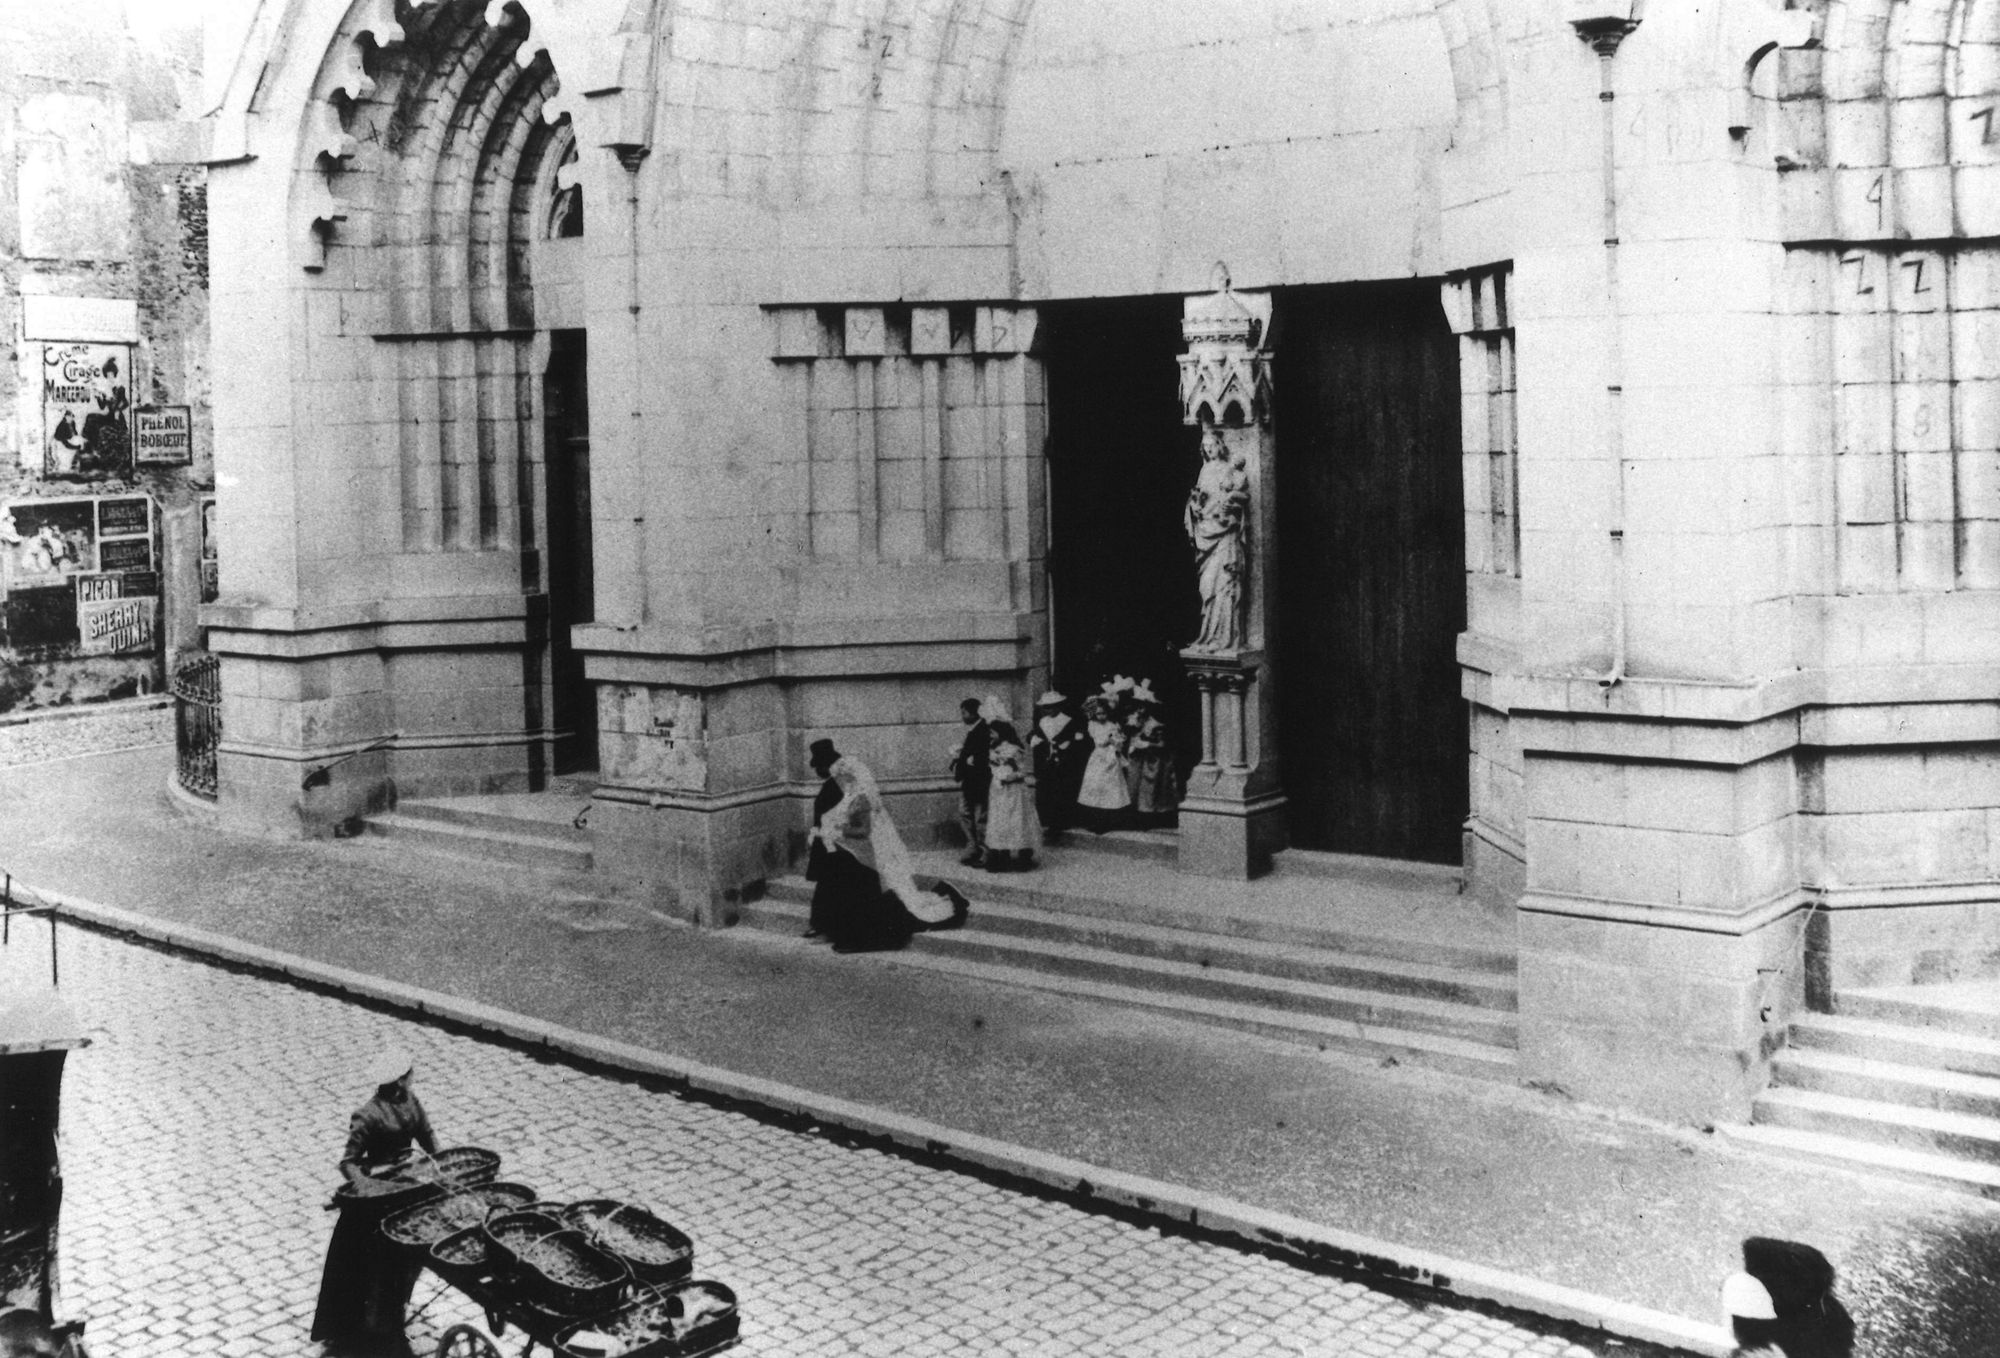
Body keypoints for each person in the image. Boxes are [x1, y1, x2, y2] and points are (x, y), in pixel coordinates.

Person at [312, 1049, 439, 1357]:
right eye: (408, 1075)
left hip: (409, 1186)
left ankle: (394, 1309)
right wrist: (368, 1187)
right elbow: (349, 1162)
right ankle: (372, 1325)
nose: (412, 1080)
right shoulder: (367, 1114)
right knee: (373, 1264)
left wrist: (440, 1163)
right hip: (378, 1198)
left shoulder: (412, 1103)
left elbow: (427, 1137)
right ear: (399, 1080)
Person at [807, 740, 967, 951]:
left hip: (851, 849)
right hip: (840, 849)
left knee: (848, 888)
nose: (844, 781)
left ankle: (836, 927)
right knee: (834, 886)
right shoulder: (842, 792)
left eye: (846, 778)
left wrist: (834, 831)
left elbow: (862, 829)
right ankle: (826, 924)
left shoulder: (858, 797)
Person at [1185, 424, 1250, 653]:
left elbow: (1238, 497)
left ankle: (1225, 637)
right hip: (1207, 532)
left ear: (1220, 446)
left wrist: (1227, 504)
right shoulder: (1205, 471)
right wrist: (1195, 507)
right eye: (1205, 446)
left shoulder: (1228, 470)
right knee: (1207, 587)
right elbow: (1200, 500)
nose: (1209, 449)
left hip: (1224, 535)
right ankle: (1209, 636)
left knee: (1224, 584)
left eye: (1212, 445)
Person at [981, 698, 1036, 872]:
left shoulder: (1013, 750)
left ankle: (1022, 856)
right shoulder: (992, 749)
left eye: (993, 732)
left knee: (1015, 821)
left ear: (1002, 732)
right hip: (998, 792)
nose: (990, 735)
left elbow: (1022, 771)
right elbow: (991, 767)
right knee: (999, 822)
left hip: (1013, 791)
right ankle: (1000, 855)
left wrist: (1008, 777)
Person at [1028, 690, 1089, 842]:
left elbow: (1078, 740)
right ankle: (1048, 822)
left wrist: (1068, 744)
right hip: (1047, 762)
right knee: (1047, 790)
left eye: (1050, 707)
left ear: (1058, 707)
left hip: (1064, 763)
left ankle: (1059, 823)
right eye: (1045, 707)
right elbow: (1033, 735)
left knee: (1061, 791)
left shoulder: (1068, 721)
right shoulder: (1043, 722)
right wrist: (1035, 739)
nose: (1047, 710)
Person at [1075, 695, 1133, 833]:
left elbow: (1119, 741)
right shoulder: (1092, 725)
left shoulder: (1113, 725)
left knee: (1110, 788)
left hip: (1111, 757)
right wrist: (1110, 738)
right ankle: (1096, 820)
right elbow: (1100, 741)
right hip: (1099, 757)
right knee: (1096, 787)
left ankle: (1107, 821)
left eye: (1104, 713)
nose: (1101, 716)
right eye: (1098, 713)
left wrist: (1117, 740)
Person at [948, 697, 991, 866]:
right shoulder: (975, 729)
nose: (962, 716)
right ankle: (973, 845)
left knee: (981, 817)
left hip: (979, 782)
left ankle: (984, 850)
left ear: (973, 713)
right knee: (965, 812)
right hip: (970, 782)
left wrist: (966, 760)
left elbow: (985, 756)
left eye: (964, 713)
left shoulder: (983, 730)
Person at [1125, 701, 1178, 828]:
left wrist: (1147, 744)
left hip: (1154, 759)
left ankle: (1153, 818)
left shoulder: (1154, 724)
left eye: (1142, 707)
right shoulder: (1135, 720)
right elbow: (1132, 738)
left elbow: (1162, 745)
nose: (1139, 710)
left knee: (1152, 787)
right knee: (1135, 785)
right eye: (1137, 707)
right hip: (1139, 759)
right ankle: (1138, 816)